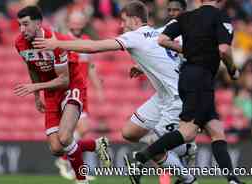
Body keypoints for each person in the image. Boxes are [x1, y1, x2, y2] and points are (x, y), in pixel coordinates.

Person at [32, 1, 196, 184]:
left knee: (154, 148)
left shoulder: (135, 37)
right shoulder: (165, 30)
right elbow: (174, 52)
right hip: (162, 96)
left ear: (134, 20)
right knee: (129, 133)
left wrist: (58, 43)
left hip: (177, 98)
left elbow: (94, 46)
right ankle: (186, 148)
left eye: (123, 20)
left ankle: (188, 179)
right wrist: (144, 67)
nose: (121, 25)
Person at [126, 0, 244, 184]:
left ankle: (232, 180)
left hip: (190, 77)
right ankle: (142, 157)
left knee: (216, 131)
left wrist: (188, 51)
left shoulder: (186, 17)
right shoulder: (220, 16)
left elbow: (162, 40)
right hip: (200, 78)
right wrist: (232, 69)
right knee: (188, 132)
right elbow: (224, 50)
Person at [13, 6, 111, 184]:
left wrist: (34, 88)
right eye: (20, 25)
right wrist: (37, 96)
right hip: (51, 93)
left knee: (66, 137)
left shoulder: (54, 41)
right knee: (57, 149)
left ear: (38, 23)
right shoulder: (20, 43)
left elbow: (64, 80)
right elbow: (31, 66)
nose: (22, 29)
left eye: (26, 24)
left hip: (71, 87)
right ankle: (95, 145)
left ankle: (82, 180)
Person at [54, 11, 105, 181]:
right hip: (68, 92)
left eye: (79, 22)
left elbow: (90, 68)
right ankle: (64, 160)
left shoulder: (87, 43)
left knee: (77, 131)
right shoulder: (62, 41)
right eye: (74, 22)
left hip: (82, 92)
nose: (76, 25)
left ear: (84, 23)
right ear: (68, 23)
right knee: (83, 128)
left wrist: (98, 88)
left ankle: (74, 169)